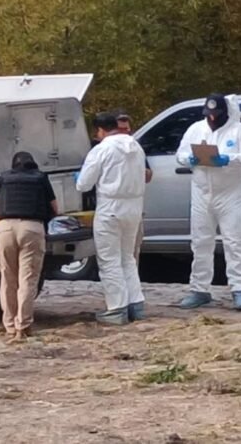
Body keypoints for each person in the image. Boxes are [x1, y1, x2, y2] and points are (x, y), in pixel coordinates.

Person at [175, 94, 241, 310]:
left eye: (216, 114)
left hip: (230, 193)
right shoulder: (196, 129)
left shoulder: (239, 131)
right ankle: (199, 289)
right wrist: (189, 159)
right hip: (201, 192)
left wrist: (228, 159)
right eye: (208, 114)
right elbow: (181, 153)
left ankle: (240, 289)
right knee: (201, 242)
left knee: (235, 242)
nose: (212, 118)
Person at [77, 113, 147, 325]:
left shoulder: (101, 149)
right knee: (127, 258)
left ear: (100, 130)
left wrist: (79, 178)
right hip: (134, 207)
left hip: (110, 206)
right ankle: (136, 304)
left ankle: (116, 307)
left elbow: (83, 184)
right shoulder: (136, 147)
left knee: (109, 260)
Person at [0, 152, 58, 342]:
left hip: (5, 228)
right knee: (27, 279)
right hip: (32, 228)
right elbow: (55, 208)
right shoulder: (41, 178)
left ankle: (9, 325)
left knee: (7, 279)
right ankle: (23, 326)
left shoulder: (4, 177)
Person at [115, 112, 153, 265]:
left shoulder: (136, 148)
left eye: (127, 129)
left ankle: (132, 283)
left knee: (132, 250)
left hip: (134, 205)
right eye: (121, 130)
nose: (126, 133)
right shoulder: (102, 149)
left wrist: (139, 171)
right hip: (112, 205)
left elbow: (149, 176)